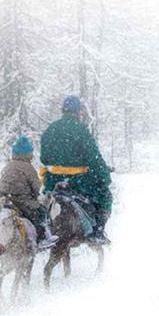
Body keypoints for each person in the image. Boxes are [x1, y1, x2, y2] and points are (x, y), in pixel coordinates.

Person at [39, 95, 112, 245]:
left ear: (63, 110)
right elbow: (94, 158)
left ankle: (42, 231)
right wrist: (105, 177)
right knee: (105, 196)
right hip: (79, 182)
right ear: (78, 112)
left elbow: (44, 158)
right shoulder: (81, 131)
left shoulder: (50, 130)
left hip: (53, 182)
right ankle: (97, 232)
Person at [0, 136, 58, 251]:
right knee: (40, 213)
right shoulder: (28, 168)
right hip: (22, 202)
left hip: (5, 199)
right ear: (27, 154)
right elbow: (37, 187)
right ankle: (42, 239)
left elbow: (0, 184)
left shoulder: (8, 166)